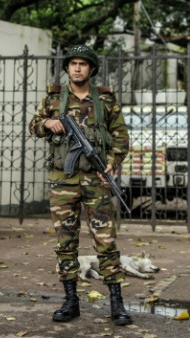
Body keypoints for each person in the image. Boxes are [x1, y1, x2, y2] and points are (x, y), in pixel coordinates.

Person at [29, 44, 132, 326]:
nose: (77, 68)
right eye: (73, 63)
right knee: (65, 242)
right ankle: (70, 301)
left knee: (106, 242)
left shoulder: (106, 100)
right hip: (62, 181)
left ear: (91, 69)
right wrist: (49, 123)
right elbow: (33, 125)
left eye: (83, 64)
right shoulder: (53, 98)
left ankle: (116, 303)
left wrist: (112, 162)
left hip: (95, 182)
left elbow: (122, 138)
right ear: (67, 68)